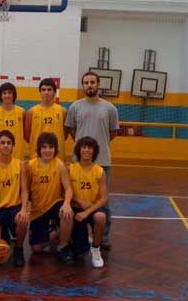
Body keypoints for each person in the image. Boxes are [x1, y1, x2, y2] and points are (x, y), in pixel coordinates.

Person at [65, 71, 119, 250]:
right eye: (86, 82)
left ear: (98, 84)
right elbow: (71, 130)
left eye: (92, 82)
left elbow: (112, 133)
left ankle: (103, 237)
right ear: (83, 85)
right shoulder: (75, 107)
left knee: (103, 200)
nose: (89, 85)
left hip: (102, 161)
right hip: (78, 163)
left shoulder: (110, 108)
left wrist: (96, 149)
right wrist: (83, 150)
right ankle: (74, 234)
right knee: (75, 198)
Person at [27, 132, 74, 264]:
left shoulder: (59, 165)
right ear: (39, 149)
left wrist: (66, 203)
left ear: (55, 149)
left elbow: (68, 189)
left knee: (67, 214)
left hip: (54, 204)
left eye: (51, 147)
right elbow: (25, 190)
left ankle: (63, 246)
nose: (47, 150)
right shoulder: (31, 166)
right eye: (44, 147)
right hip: (38, 210)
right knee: (36, 248)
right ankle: (53, 234)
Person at [0, 130, 29, 267]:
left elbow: (24, 190)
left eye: (8, 143)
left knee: (23, 220)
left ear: (13, 146)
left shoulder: (20, 164)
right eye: (2, 143)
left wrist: (23, 209)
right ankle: (5, 236)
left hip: (13, 208)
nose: (5, 146)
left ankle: (19, 249)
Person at [69, 136, 108, 268]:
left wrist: (87, 212)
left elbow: (103, 198)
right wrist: (79, 202)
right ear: (79, 150)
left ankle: (96, 248)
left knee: (101, 217)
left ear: (94, 151)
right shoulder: (71, 169)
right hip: (76, 209)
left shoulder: (100, 171)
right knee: (80, 255)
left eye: (90, 148)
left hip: (92, 208)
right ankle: (80, 240)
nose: (87, 150)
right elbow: (64, 194)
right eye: (84, 147)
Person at [25, 78, 67, 162]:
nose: (46, 92)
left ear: (54, 92)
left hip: (57, 156)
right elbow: (27, 135)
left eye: (49, 90)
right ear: (40, 92)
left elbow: (65, 134)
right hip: (36, 156)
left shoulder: (63, 111)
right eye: (43, 90)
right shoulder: (31, 112)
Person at [0, 82, 26, 161]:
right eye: (4, 93)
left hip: (16, 153)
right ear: (0, 96)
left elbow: (26, 133)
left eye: (9, 93)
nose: (7, 95)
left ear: (13, 95)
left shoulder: (21, 112)